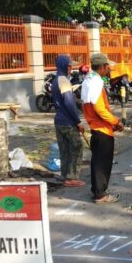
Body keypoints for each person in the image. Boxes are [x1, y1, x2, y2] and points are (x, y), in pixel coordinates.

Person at [81, 53, 124, 204]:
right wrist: (116, 121)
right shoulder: (96, 82)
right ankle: (100, 195)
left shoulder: (88, 80)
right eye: (107, 67)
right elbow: (100, 109)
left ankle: (97, 191)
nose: (108, 69)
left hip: (96, 127)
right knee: (102, 162)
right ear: (101, 67)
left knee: (97, 161)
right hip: (102, 128)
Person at [53, 54, 86, 187]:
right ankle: (72, 177)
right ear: (64, 66)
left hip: (59, 120)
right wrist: (78, 121)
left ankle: (65, 175)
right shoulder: (64, 81)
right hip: (67, 121)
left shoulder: (57, 80)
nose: (70, 68)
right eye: (69, 66)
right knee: (76, 147)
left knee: (64, 149)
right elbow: (68, 103)